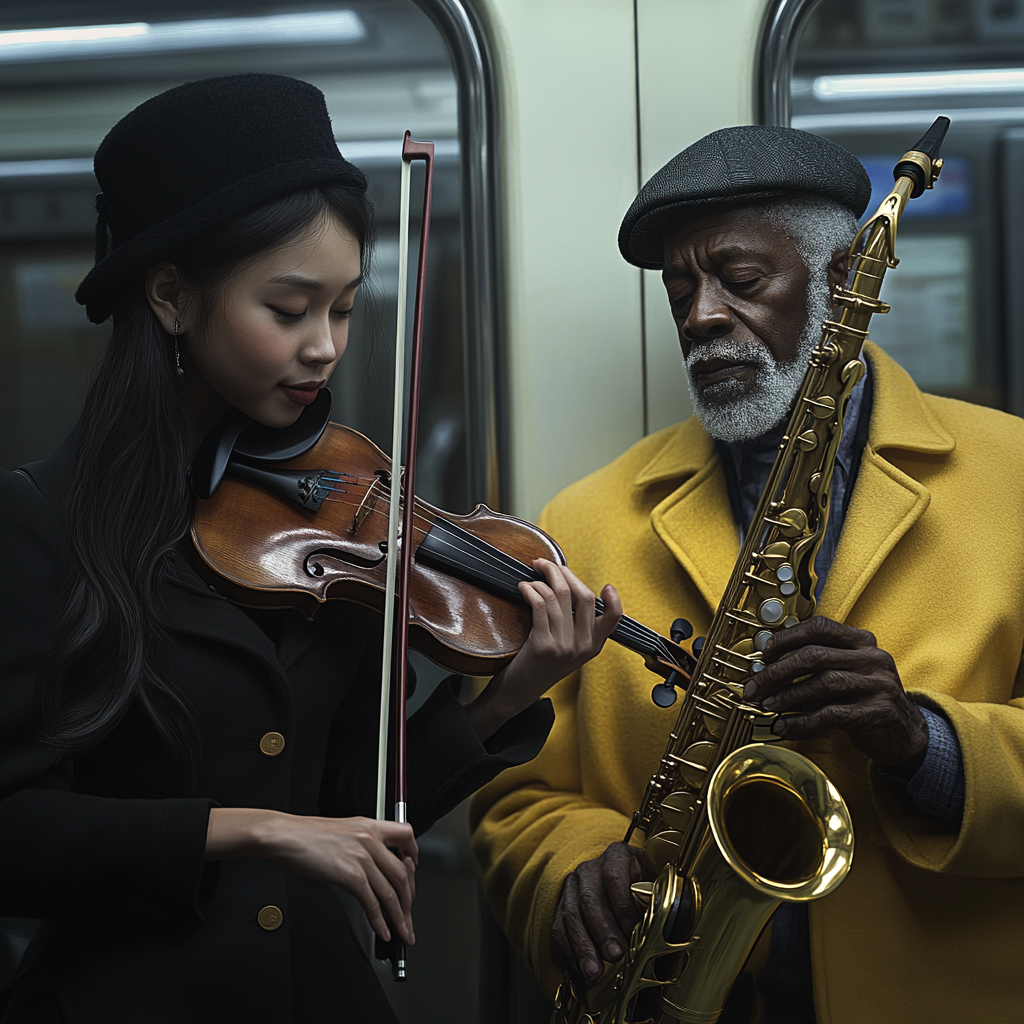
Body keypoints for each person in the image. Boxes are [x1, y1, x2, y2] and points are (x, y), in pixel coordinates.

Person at [0, 74, 623, 1023]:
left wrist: (512, 689)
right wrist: (259, 833)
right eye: (288, 310)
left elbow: (354, 802)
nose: (326, 346)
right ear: (172, 297)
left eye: (343, 308)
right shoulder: (41, 521)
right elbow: (15, 832)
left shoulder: (330, 526)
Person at [471, 126, 1024, 1024]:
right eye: (679, 288)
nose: (701, 316)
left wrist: (922, 742)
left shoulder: (1017, 479)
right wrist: (574, 862)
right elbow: (511, 793)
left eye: (742, 280)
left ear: (845, 276)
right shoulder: (583, 519)